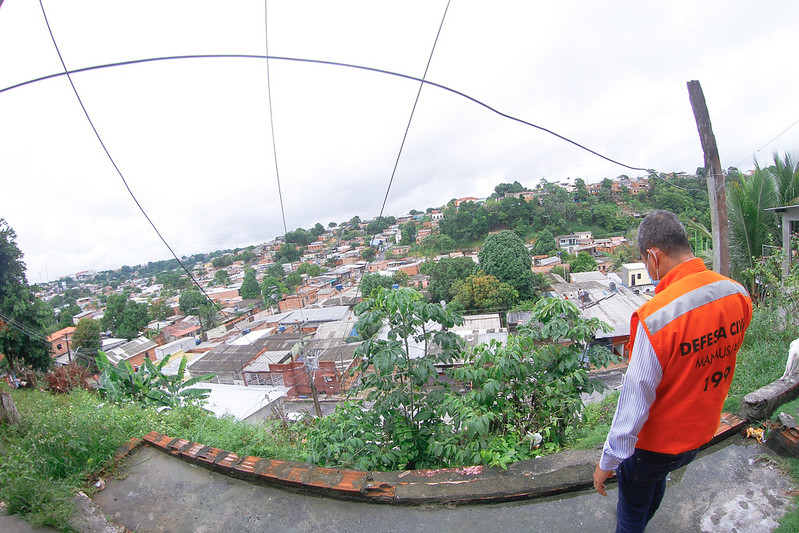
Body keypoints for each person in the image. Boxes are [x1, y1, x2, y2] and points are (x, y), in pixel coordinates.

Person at [593, 210, 752, 532]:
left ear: (653, 256)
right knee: (654, 484)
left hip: (654, 445)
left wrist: (607, 462)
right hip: (701, 432)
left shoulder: (656, 316)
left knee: (631, 515)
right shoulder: (737, 293)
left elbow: (636, 397)